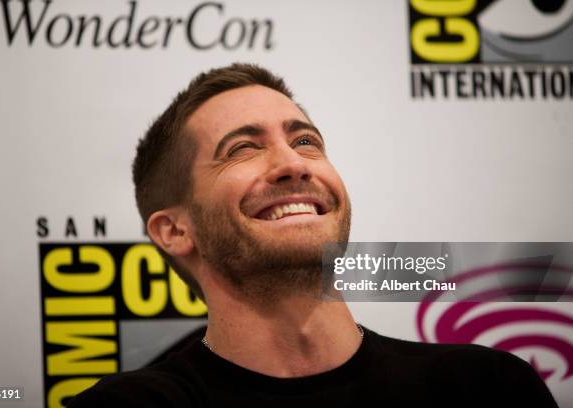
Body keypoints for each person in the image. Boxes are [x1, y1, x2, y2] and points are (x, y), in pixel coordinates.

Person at [69, 63, 558, 407]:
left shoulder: (486, 387)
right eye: (242, 149)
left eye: (305, 141)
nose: (293, 164)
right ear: (174, 230)